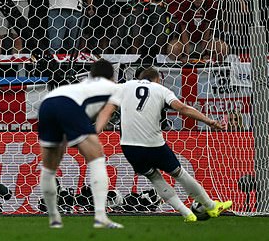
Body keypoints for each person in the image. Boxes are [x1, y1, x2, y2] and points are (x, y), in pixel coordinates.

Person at [96, 67, 232, 222]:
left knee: (155, 178)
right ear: (157, 79)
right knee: (179, 174)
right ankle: (211, 206)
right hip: (154, 144)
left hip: (129, 147)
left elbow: (107, 110)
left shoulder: (124, 86)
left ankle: (187, 213)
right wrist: (209, 121)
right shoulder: (161, 90)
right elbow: (182, 108)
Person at [38, 59, 122, 229]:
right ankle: (101, 217)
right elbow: (106, 112)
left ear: (91, 74)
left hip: (47, 103)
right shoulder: (115, 88)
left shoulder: (83, 84)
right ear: (112, 76)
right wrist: (93, 134)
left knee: (49, 168)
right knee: (97, 157)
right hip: (69, 105)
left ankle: (54, 219)